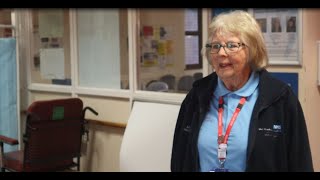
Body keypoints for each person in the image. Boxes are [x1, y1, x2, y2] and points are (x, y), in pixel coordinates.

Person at [171, 10, 313, 172]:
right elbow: (179, 158)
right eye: (216, 46)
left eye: (232, 45)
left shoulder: (280, 98)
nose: (221, 53)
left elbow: (300, 161)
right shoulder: (196, 95)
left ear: (252, 50)